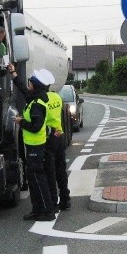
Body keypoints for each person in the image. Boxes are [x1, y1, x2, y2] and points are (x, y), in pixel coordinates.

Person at [8, 64, 56, 221]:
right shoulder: (34, 98)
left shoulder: (37, 105)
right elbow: (22, 89)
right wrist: (13, 73)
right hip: (32, 146)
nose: (28, 85)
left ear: (36, 86)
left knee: (38, 179)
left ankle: (47, 211)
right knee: (33, 180)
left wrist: (21, 122)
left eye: (30, 83)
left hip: (36, 146)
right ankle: (37, 210)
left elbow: (35, 127)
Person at [41, 71, 71, 211]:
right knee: (61, 171)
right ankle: (65, 199)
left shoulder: (41, 100)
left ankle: (53, 202)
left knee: (50, 171)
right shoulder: (57, 97)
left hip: (49, 138)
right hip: (60, 136)